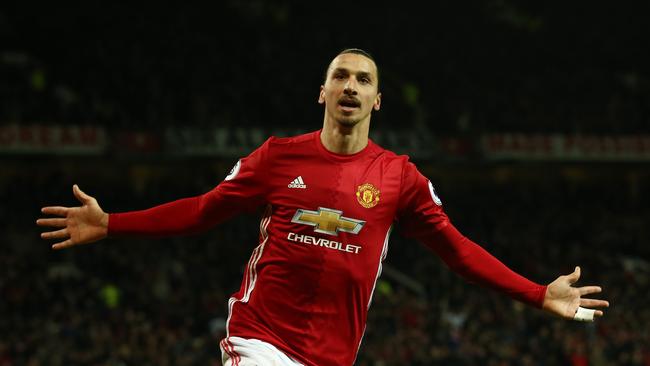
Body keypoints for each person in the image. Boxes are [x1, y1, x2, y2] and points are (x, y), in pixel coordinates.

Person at [37, 48, 609, 366]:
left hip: (333, 358)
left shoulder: (400, 177)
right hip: (258, 339)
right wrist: (113, 223)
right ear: (323, 93)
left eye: (363, 79)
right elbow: (202, 211)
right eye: (340, 77)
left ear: (378, 99)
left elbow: (458, 252)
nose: (351, 86)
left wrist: (537, 293)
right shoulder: (278, 158)